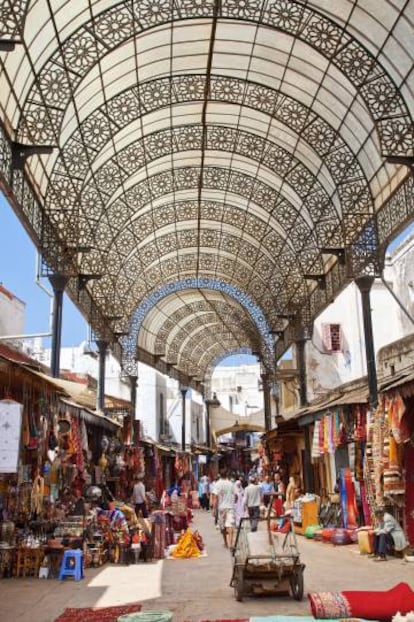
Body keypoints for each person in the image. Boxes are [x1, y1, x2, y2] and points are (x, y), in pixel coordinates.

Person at [215, 470, 235, 549]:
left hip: (221, 508)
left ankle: (225, 542)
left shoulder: (217, 484)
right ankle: (231, 543)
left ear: (220, 475)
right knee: (230, 525)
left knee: (222, 526)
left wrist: (213, 508)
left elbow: (215, 496)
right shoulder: (231, 484)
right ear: (227, 475)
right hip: (230, 507)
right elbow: (235, 495)